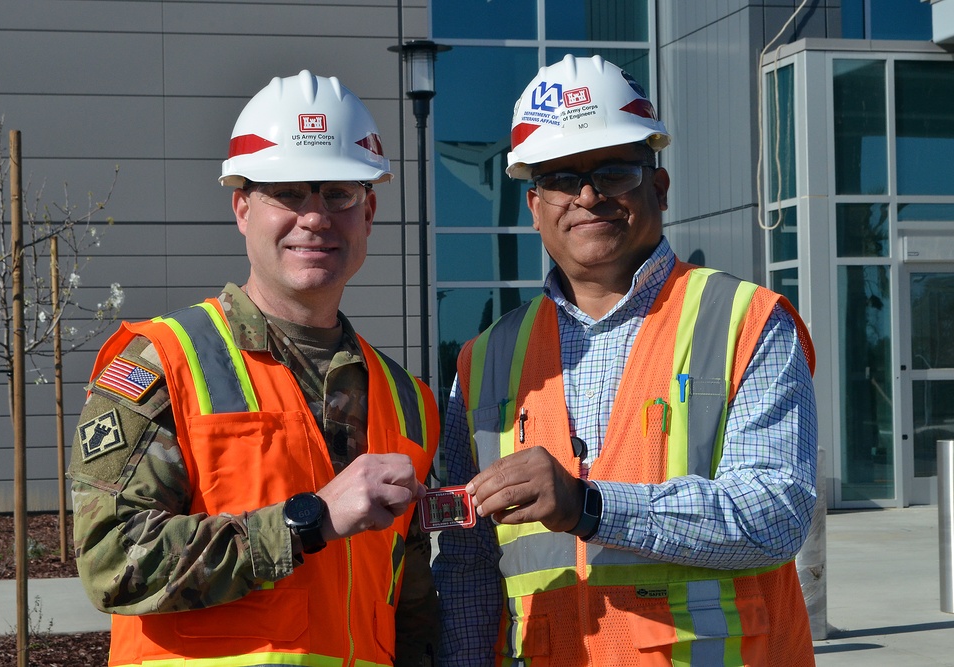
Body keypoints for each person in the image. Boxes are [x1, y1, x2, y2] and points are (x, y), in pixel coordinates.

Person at [433, 54, 818, 666]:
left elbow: (776, 514)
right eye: (561, 177)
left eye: (613, 172)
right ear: (535, 205)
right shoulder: (486, 361)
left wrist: (592, 506)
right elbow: (468, 568)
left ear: (657, 187)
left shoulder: (745, 321)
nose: (587, 195)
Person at [69, 70, 440, 667]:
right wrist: (306, 524)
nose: (315, 217)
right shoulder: (166, 360)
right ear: (243, 207)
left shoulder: (410, 400)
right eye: (287, 192)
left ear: (368, 212)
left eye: (338, 193)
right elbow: (111, 561)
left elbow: (412, 605)